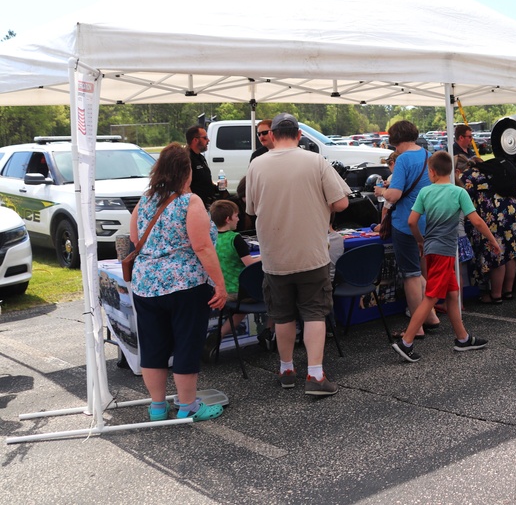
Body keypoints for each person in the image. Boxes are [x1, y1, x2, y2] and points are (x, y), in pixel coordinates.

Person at [245, 112, 351, 395]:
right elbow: (341, 203)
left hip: (274, 255)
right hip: (311, 252)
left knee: (282, 315)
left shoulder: (257, 165)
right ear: (299, 135)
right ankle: (315, 376)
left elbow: (251, 209)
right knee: (315, 312)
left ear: (273, 136)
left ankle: (286, 369)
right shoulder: (315, 161)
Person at [128, 143, 228, 422]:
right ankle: (188, 406)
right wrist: (220, 285)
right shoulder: (190, 202)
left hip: (146, 286)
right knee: (186, 344)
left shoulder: (145, 199)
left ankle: (157, 407)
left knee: (153, 346)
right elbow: (203, 247)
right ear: (186, 171)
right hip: (186, 285)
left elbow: (135, 239)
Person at [391, 152, 500, 363]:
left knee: (452, 294)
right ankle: (406, 341)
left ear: (431, 172)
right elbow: (477, 222)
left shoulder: (425, 192)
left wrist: (420, 241)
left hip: (431, 249)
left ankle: (462, 338)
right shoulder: (459, 193)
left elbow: (412, 221)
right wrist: (493, 241)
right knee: (431, 296)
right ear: (450, 171)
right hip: (445, 251)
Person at [380, 120, 441, 339]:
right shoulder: (428, 155)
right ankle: (431, 316)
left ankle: (416, 327)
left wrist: (381, 193)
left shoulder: (403, 159)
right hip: (430, 221)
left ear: (394, 139)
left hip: (407, 222)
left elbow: (395, 194)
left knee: (411, 276)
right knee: (422, 273)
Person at [457, 155, 516, 305]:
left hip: (491, 216)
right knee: (510, 253)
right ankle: (508, 291)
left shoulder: (469, 176)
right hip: (512, 211)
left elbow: (461, 195)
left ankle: (496, 294)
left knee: (496, 254)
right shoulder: (493, 171)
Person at [206, 199, 261, 352]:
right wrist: (267, 256)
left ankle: (217, 336)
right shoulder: (235, 238)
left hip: (221, 290)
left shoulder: (211, 238)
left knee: (240, 308)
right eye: (236, 216)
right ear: (228, 219)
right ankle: (269, 333)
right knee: (277, 294)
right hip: (239, 292)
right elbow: (250, 264)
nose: (239, 219)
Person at [185, 125, 217, 207]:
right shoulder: (186, 159)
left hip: (207, 202)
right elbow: (185, 186)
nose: (208, 140)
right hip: (196, 205)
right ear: (195, 140)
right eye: (205, 138)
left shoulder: (200, 157)